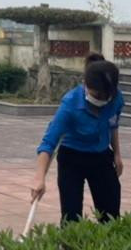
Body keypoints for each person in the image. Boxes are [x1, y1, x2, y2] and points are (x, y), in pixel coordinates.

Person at [30, 59, 124, 224]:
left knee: (110, 214)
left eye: (105, 96)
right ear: (84, 85)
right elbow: (48, 143)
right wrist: (39, 178)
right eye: (96, 95)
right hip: (72, 159)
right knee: (71, 216)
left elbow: (113, 124)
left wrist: (117, 154)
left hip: (101, 157)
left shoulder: (116, 99)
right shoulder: (70, 105)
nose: (101, 99)